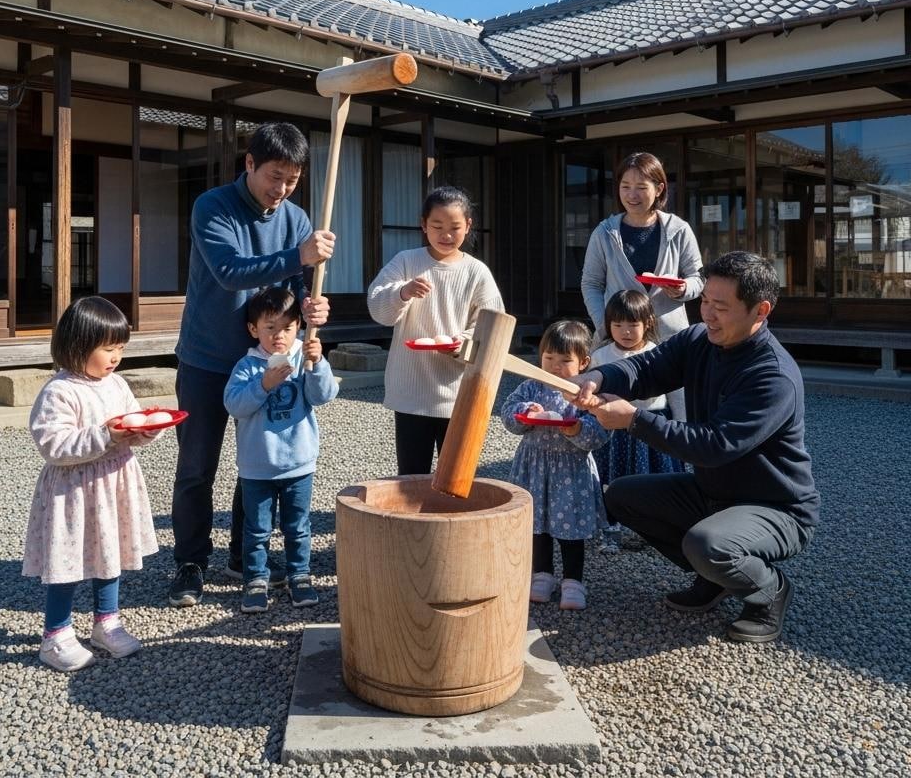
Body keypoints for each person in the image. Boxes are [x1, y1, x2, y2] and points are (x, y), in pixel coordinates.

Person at [573, 251, 820, 644]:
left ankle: (768, 591)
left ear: (760, 310)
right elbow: (645, 368)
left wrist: (633, 420)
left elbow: (714, 445)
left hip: (776, 507)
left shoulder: (772, 375)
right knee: (621, 496)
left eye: (720, 307)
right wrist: (600, 377)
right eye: (704, 301)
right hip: (713, 493)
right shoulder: (698, 340)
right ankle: (716, 575)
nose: (707, 314)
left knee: (707, 544)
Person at [170, 122, 333, 609]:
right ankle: (190, 562)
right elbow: (229, 271)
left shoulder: (297, 218)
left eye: (292, 180)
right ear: (249, 164)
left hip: (269, 358)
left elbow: (298, 287)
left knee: (257, 461)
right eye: (274, 176)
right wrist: (297, 255)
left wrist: (311, 308)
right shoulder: (212, 207)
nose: (281, 189)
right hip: (207, 357)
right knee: (197, 466)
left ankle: (245, 557)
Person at [23, 296, 167, 672]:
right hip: (73, 490)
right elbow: (52, 444)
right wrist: (106, 435)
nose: (116, 357)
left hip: (114, 484)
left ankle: (107, 622)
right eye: (108, 348)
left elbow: (131, 423)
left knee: (110, 551)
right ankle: (56, 634)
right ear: (77, 345)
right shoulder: (59, 391)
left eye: (120, 348)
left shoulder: (116, 384)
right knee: (67, 558)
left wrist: (146, 429)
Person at [367, 185, 504, 475]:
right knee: (411, 475)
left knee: (454, 476)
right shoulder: (407, 261)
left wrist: (462, 342)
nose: (446, 235)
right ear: (423, 225)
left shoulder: (476, 271)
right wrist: (402, 292)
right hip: (411, 390)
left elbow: (494, 323)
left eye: (455, 227)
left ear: (468, 226)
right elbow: (378, 307)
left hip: (458, 391)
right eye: (437, 226)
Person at [224, 286, 339, 613]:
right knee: (257, 529)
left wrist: (318, 364)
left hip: (299, 464)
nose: (279, 336)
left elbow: (323, 396)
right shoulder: (247, 365)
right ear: (253, 329)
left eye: (287, 328)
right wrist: (264, 385)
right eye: (270, 327)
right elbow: (234, 404)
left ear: (298, 327)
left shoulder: (304, 356)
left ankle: (299, 575)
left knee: (298, 526)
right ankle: (255, 579)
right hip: (257, 466)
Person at [580, 151, 704, 421]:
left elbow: (698, 277)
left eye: (640, 187)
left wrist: (683, 288)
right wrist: (605, 323)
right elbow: (591, 283)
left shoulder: (678, 229)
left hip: (670, 336)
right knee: (611, 407)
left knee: (679, 414)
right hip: (619, 336)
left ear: (659, 189)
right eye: (625, 186)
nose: (631, 195)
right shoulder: (605, 232)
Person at [499, 320, 610, 610]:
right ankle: (542, 575)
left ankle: (573, 581)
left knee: (571, 527)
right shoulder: (530, 387)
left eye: (565, 361)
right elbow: (508, 413)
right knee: (538, 525)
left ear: (584, 362)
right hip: (534, 466)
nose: (555, 367)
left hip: (571, 469)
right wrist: (526, 411)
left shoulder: (585, 394)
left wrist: (576, 429)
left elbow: (601, 431)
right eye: (549, 358)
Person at [590, 289, 684, 553]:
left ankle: (653, 532)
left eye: (632, 324)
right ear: (608, 325)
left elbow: (677, 393)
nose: (626, 331)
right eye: (618, 324)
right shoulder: (601, 355)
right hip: (612, 431)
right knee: (610, 479)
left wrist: (682, 424)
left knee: (652, 481)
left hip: (651, 427)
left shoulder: (659, 353)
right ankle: (611, 530)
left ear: (648, 323)